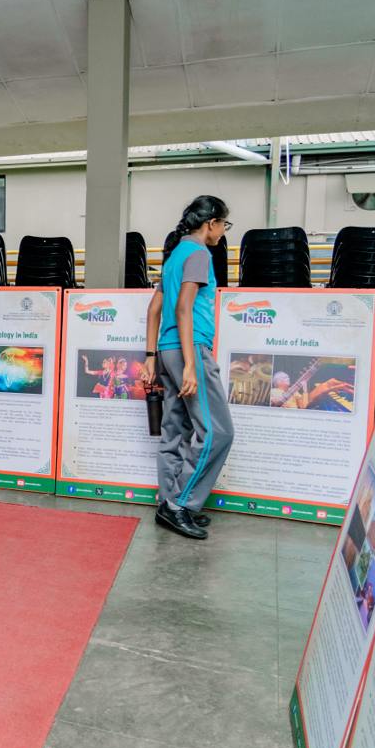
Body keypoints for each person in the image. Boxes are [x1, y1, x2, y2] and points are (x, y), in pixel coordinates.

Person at [142, 196, 235, 540]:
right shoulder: (198, 254)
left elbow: (155, 309)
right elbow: (183, 309)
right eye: (224, 225)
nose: (223, 232)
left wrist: (151, 357)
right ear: (210, 223)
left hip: (167, 351)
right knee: (218, 432)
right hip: (188, 349)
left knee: (175, 430)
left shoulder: (175, 255)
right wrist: (192, 366)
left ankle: (170, 502)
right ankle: (179, 505)